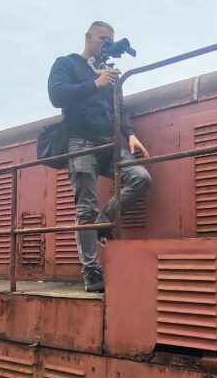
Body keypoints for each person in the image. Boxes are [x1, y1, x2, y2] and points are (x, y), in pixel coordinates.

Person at [47, 21, 151, 292]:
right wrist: (95, 83)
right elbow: (56, 95)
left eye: (110, 40)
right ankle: (92, 272)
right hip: (79, 143)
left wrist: (130, 133)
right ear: (88, 36)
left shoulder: (111, 74)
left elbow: (121, 107)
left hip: (108, 145)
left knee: (140, 177)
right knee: (86, 209)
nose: (105, 43)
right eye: (102, 38)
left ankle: (104, 223)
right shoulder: (67, 64)